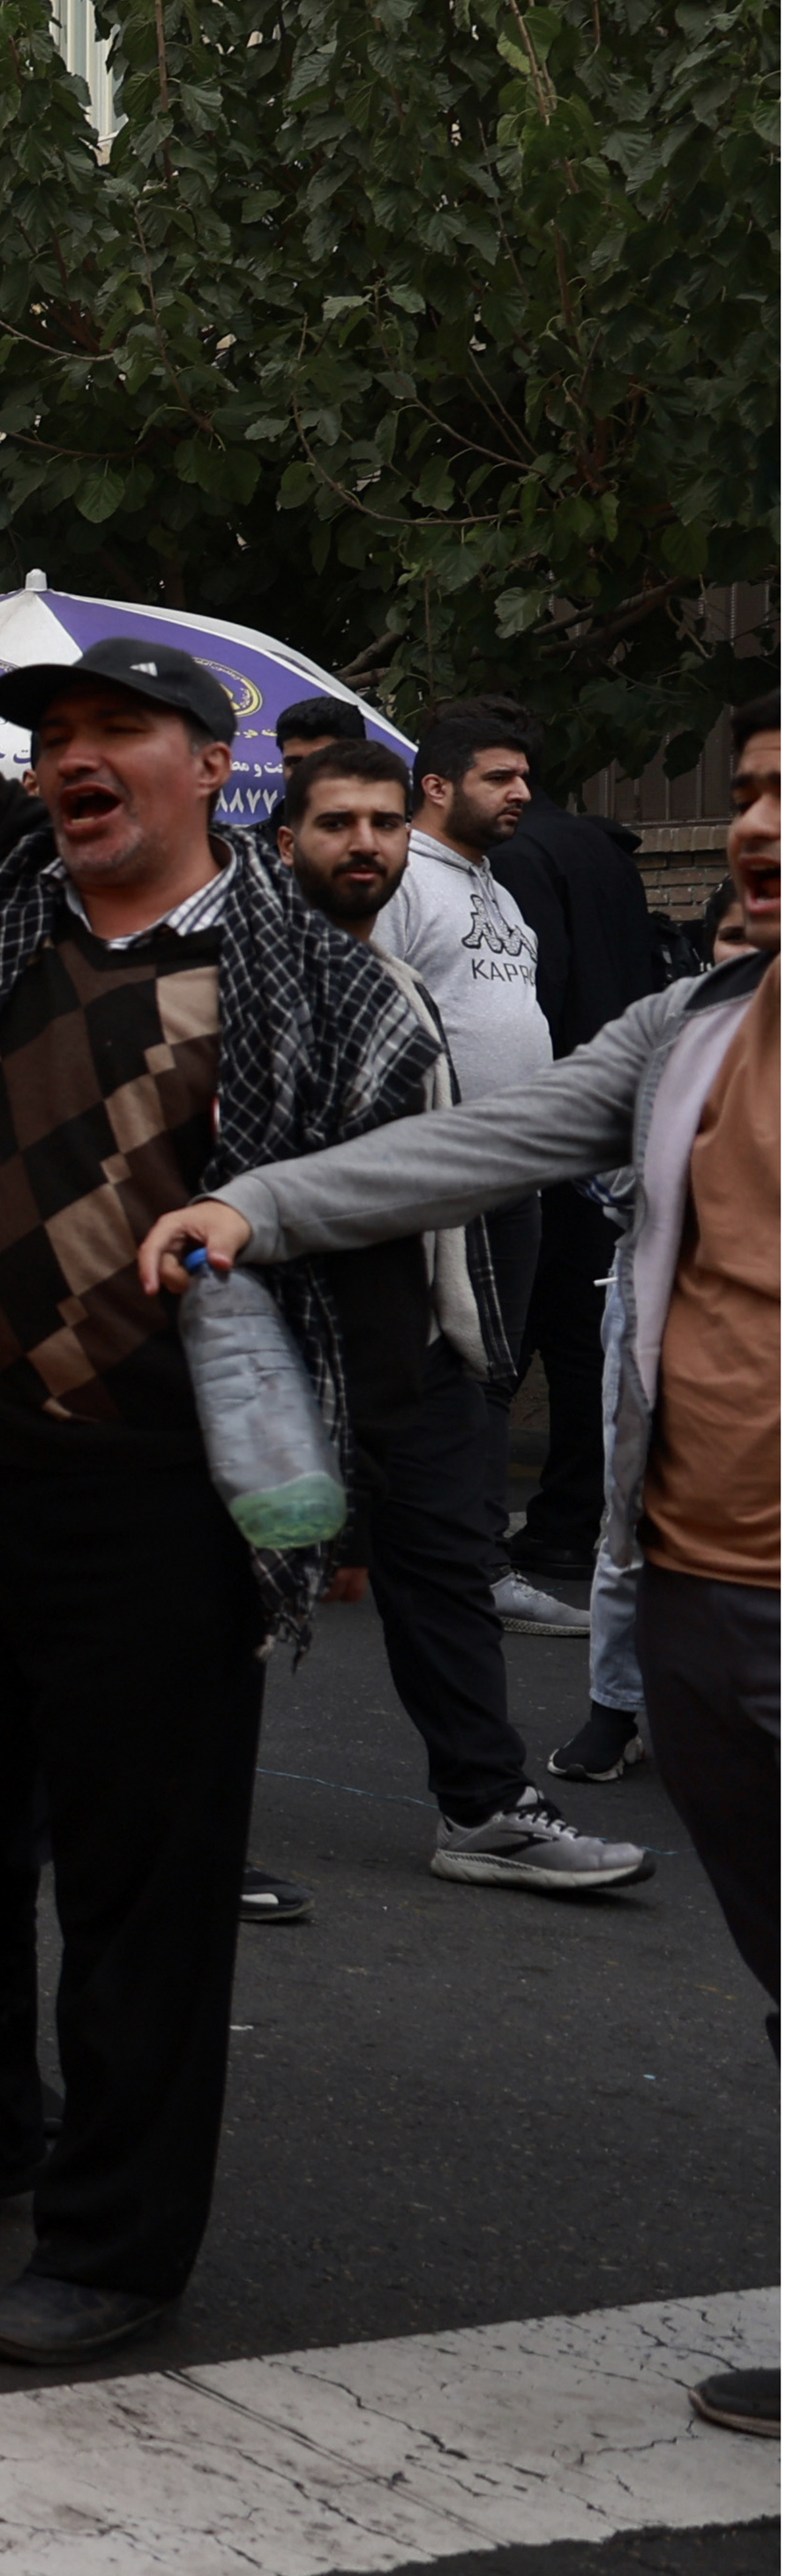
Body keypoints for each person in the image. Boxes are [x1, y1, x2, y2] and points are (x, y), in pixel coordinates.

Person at [0, 349, 438, 2369]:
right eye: (52, 738)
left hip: (149, 1503)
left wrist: (352, 1496)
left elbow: (382, 1250)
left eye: (116, 732)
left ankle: (113, 2247)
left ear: (205, 770)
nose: (71, 761)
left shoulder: (320, 988)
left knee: (138, 1882)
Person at [145, 702, 780, 2435]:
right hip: (703, 1591)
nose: (753, 826)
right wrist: (260, 1207)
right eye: (742, 791)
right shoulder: (702, 1023)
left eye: (790, 794)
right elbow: (497, 1137)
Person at [263, 743, 644, 1889]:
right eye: (338, 824)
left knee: (446, 1563)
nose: (366, 844)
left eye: (383, 823)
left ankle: (483, 1806)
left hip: (420, 1336)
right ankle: (171, 1826)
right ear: (291, 844)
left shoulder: (409, 986)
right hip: (278, 1347)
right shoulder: (241, 981)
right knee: (213, 1599)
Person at [556, 882, 765, 1787]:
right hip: (657, 1311)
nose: (754, 953)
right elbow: (586, 1154)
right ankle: (616, 1704)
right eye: (733, 935)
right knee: (629, 1507)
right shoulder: (674, 1042)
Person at [485, 704, 684, 1603]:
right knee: (579, 1337)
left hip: (557, 1115)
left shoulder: (520, 858)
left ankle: (499, 1521)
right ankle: (569, 1521)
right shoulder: (604, 849)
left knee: (507, 1338)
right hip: (617, 1111)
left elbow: (539, 990)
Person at [392, 702, 572, 1631]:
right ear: (436, 784)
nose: (522, 792)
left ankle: (467, 1552)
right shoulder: (400, 880)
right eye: (501, 776)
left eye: (524, 776)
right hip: (445, 1168)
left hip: (516, 1171)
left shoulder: (496, 885)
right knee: (457, 1367)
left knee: (494, 1368)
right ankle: (468, 1564)